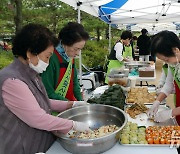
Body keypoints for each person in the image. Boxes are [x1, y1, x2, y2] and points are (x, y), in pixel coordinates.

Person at [0, 23, 91, 154]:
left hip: (42, 143)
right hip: (22, 147)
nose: (48, 63)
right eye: (47, 57)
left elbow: (41, 101)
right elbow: (37, 118)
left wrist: (71, 104)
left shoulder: (29, 72)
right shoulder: (12, 81)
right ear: (30, 53)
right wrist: (73, 125)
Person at [41, 22, 89, 106]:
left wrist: (81, 101)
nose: (77, 53)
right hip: (56, 108)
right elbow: (48, 92)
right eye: (76, 49)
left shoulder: (69, 56)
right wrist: (71, 104)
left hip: (69, 104)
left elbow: (75, 83)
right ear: (65, 44)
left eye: (80, 49)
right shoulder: (50, 58)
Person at [147, 30, 180, 125]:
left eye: (166, 59)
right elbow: (168, 85)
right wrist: (157, 101)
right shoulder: (174, 64)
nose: (167, 63)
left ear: (175, 50)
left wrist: (171, 112)